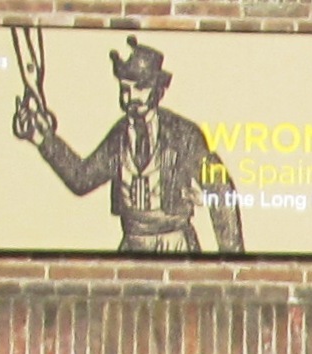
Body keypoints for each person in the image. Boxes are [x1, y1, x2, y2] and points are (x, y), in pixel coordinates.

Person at [13, 36, 243, 256]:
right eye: (125, 89)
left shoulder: (184, 134)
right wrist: (43, 139)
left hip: (176, 244)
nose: (131, 96)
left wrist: (232, 259)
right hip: (133, 244)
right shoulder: (119, 136)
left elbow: (221, 189)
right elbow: (81, 179)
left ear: (159, 90)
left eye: (140, 88)